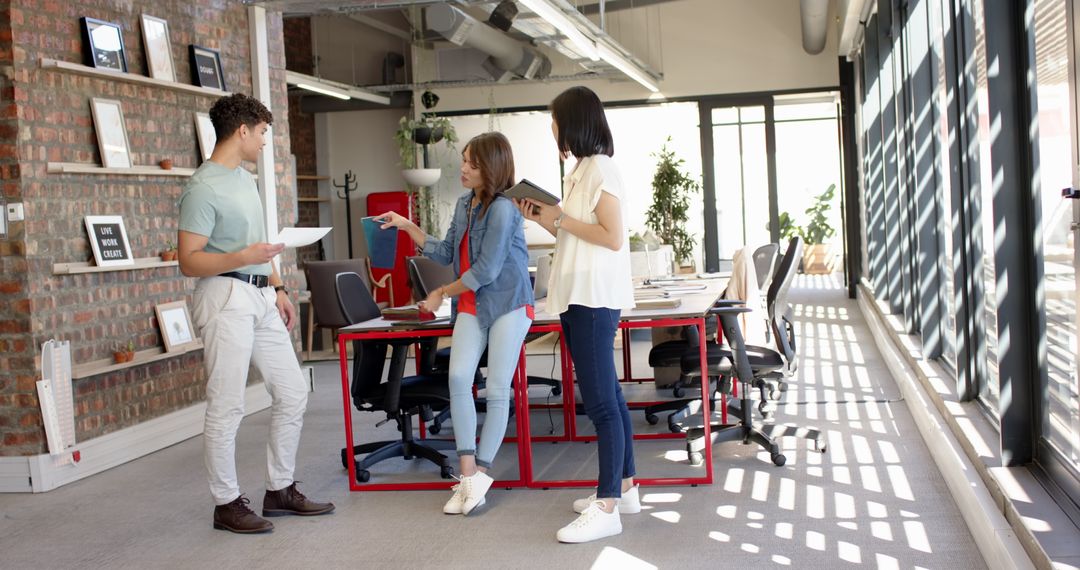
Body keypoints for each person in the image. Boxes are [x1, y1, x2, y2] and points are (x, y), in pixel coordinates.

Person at [178, 93, 334, 534]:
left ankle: (279, 489)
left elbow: (259, 242)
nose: (266, 140)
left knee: (292, 392)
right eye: (263, 132)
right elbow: (188, 261)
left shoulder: (244, 180)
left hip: (261, 296)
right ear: (242, 131)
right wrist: (241, 256)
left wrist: (279, 287)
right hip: (224, 297)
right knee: (226, 405)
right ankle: (226, 502)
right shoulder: (202, 187)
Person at [378, 132, 534, 517]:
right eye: (463, 160)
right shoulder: (465, 204)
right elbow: (447, 251)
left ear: (492, 168)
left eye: (472, 163)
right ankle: (468, 476)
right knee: (459, 378)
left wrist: (439, 293)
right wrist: (406, 226)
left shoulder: (504, 209)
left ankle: (479, 474)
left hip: (508, 303)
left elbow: (487, 269)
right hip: (471, 302)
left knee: (497, 388)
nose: (463, 168)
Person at [515, 86, 639, 543]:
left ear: (573, 122)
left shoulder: (602, 168)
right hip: (577, 295)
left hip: (593, 296)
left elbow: (611, 236)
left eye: (555, 119)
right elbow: (572, 232)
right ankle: (624, 488)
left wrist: (561, 219)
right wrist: (542, 217)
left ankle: (607, 506)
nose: (552, 127)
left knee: (602, 403)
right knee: (611, 397)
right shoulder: (580, 170)